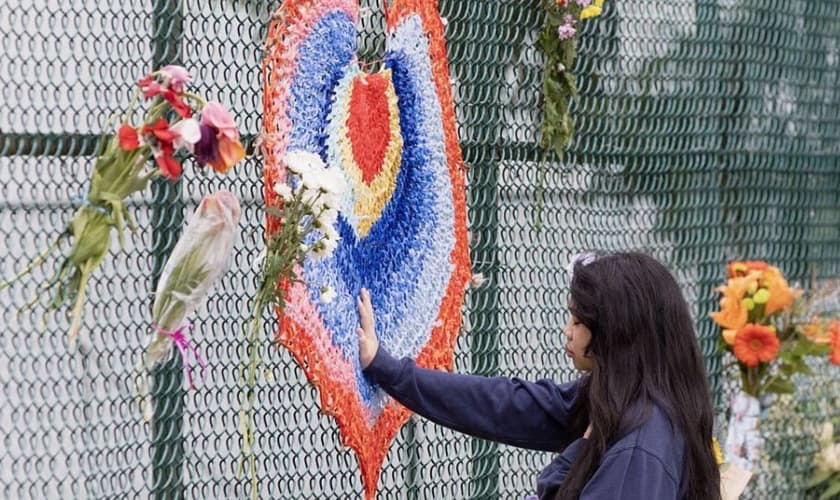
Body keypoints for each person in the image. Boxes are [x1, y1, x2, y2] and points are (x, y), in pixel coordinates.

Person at [356, 251, 721, 499]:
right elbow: (505, 404)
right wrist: (387, 368)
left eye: (579, 321)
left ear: (618, 333)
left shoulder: (639, 447)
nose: (567, 330)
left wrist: (573, 457)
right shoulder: (631, 402)